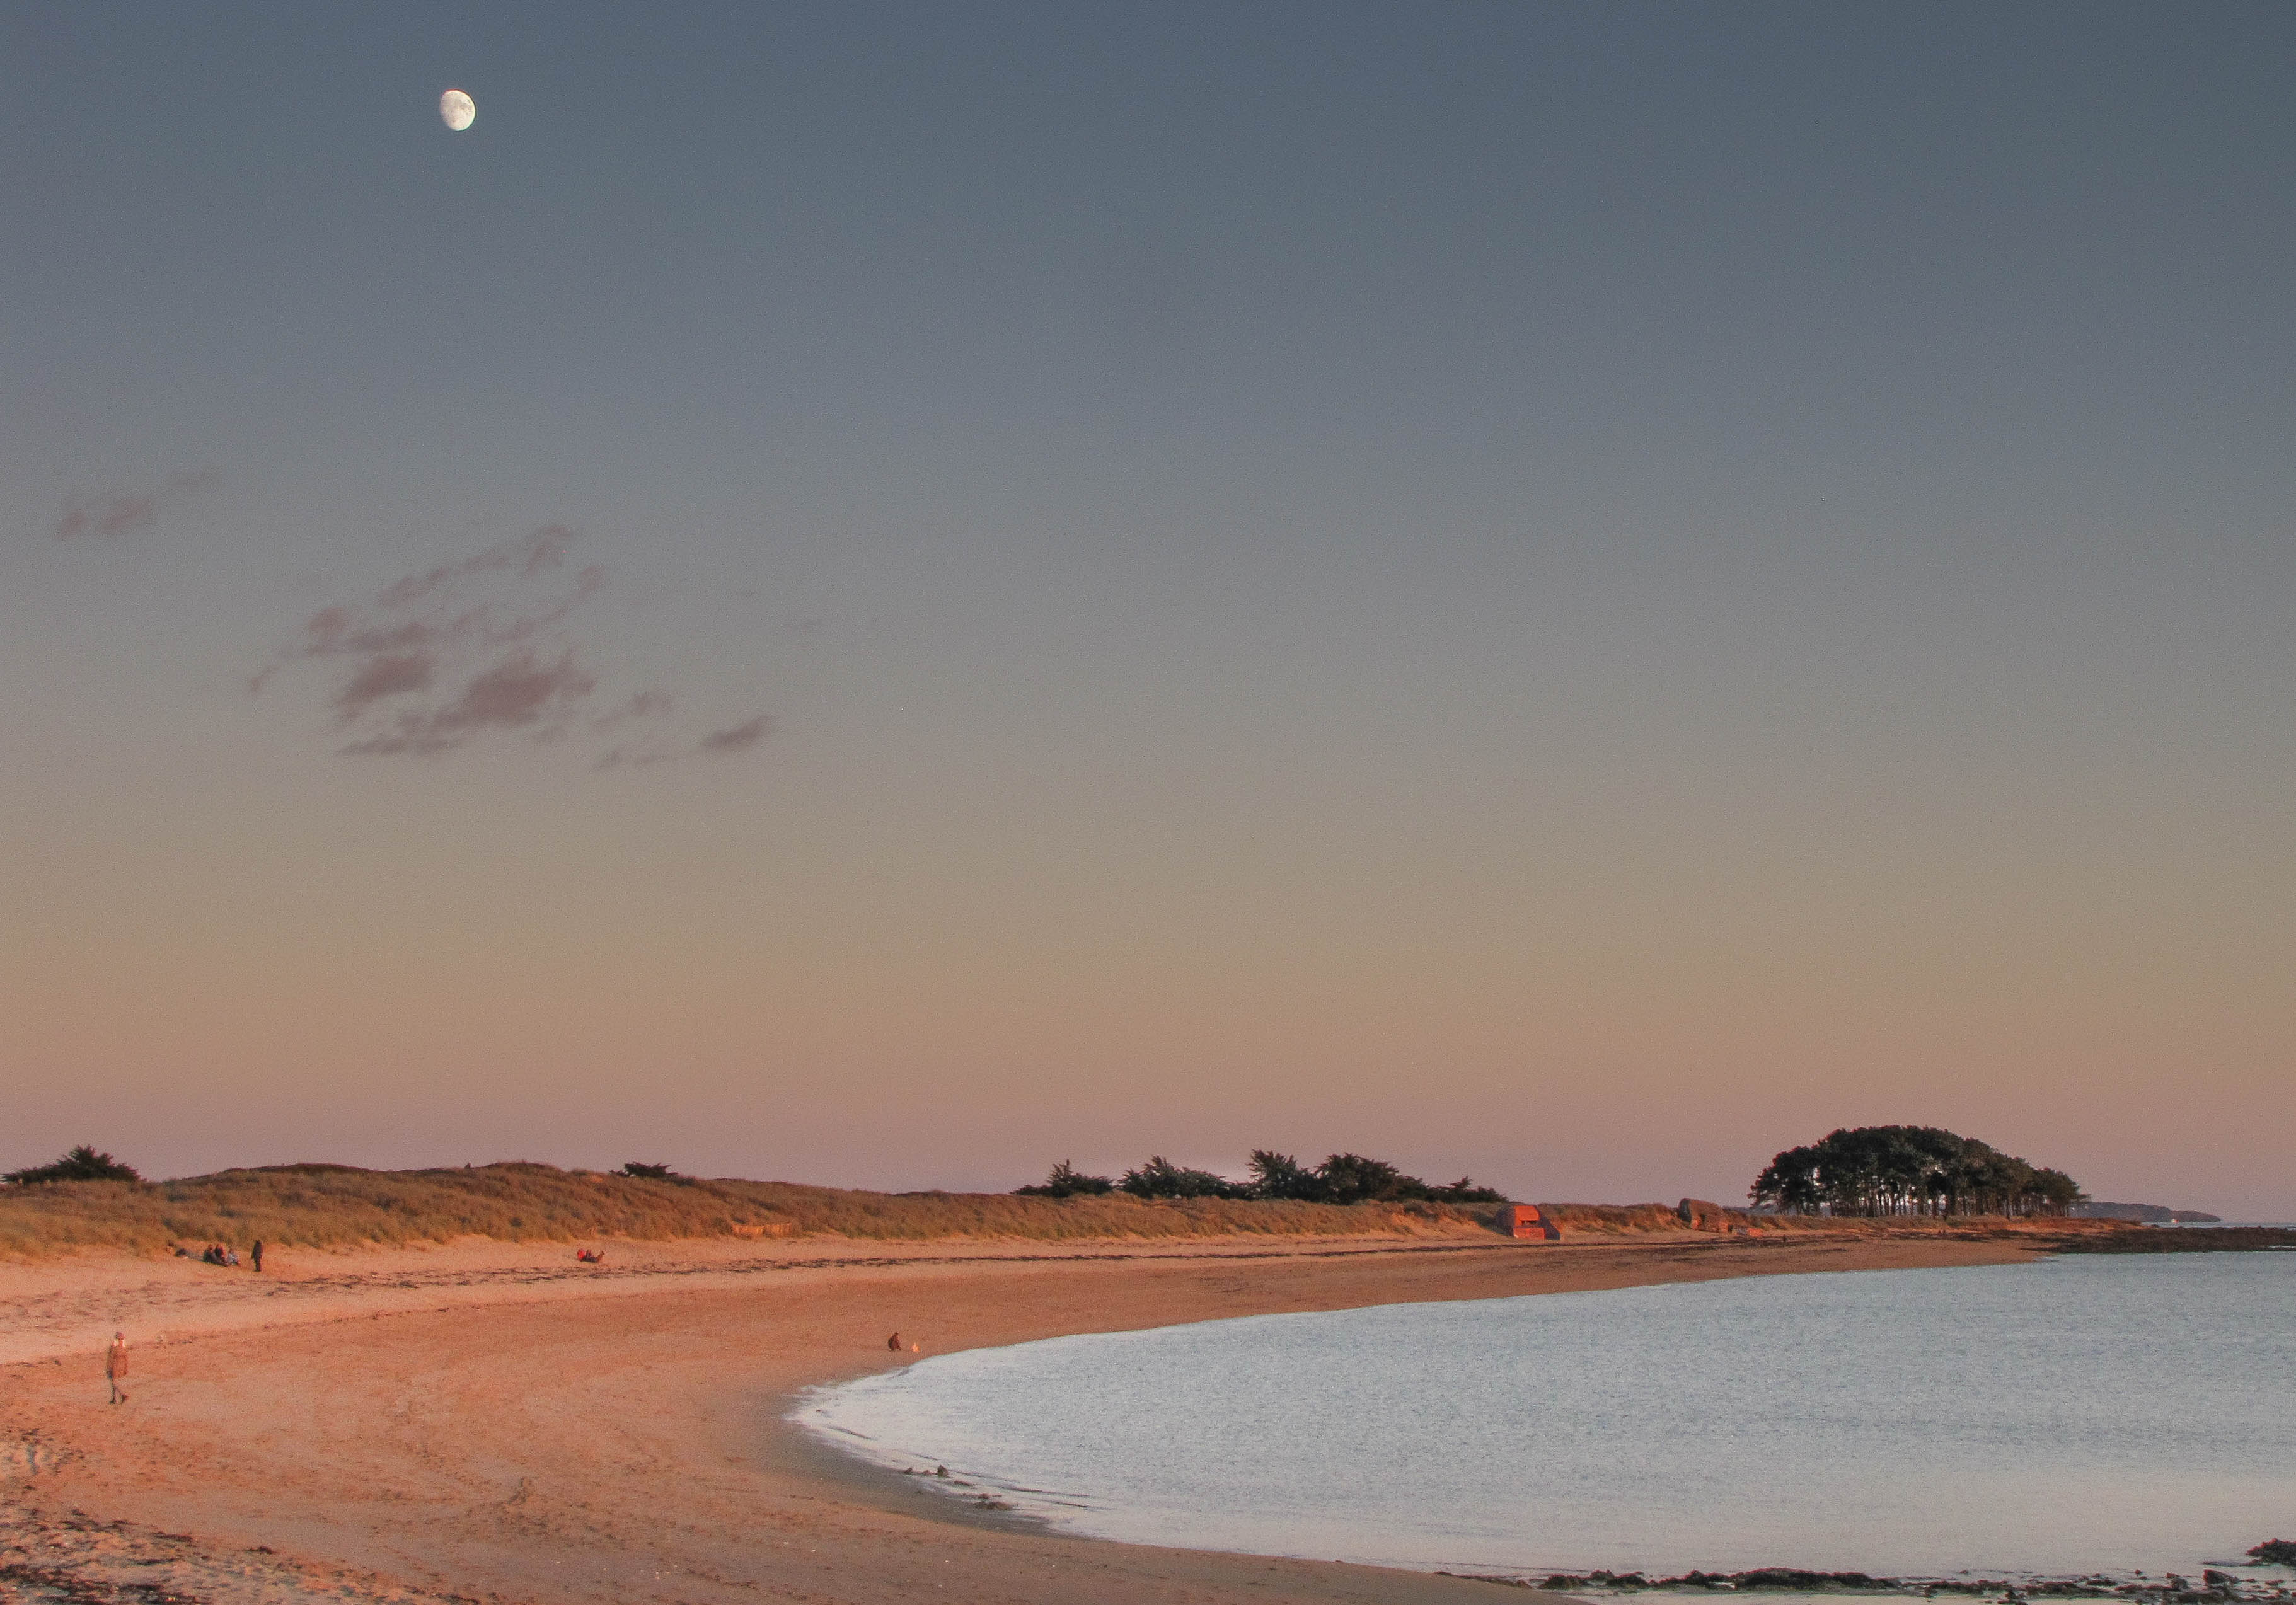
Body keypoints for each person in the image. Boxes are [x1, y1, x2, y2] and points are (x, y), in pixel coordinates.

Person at [106, 1331, 129, 1405]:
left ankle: (122, 1395)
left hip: (115, 1365)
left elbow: (111, 1357)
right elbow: (126, 1358)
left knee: (114, 1382)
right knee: (114, 1381)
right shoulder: (124, 1347)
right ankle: (114, 1398)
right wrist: (126, 1368)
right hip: (122, 1365)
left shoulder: (114, 1347)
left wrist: (108, 1367)